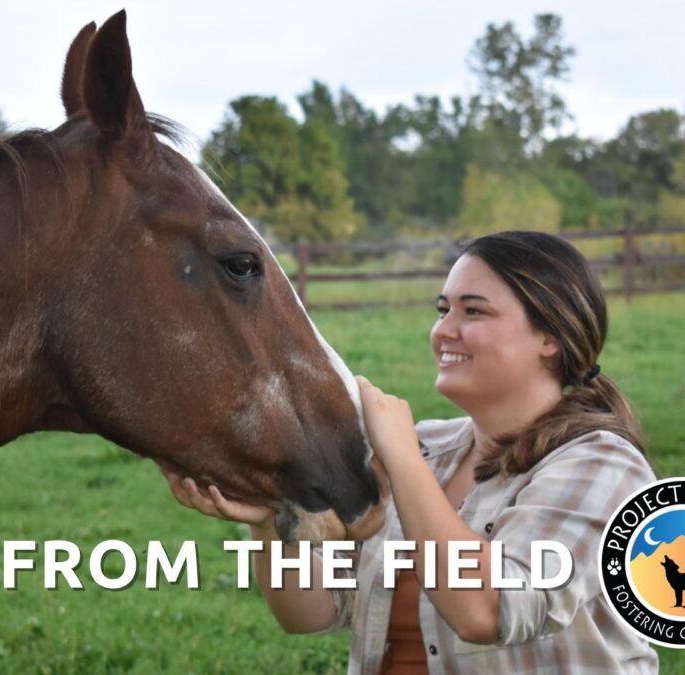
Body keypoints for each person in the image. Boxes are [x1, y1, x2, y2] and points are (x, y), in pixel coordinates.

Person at [163, 231, 659, 674]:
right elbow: (311, 612)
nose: (445, 330)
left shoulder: (604, 469)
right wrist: (273, 522)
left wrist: (401, 457)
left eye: (474, 311)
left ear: (550, 337)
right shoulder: (429, 449)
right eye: (443, 310)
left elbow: (486, 611)